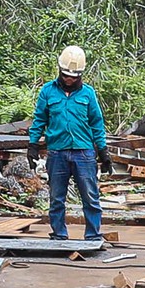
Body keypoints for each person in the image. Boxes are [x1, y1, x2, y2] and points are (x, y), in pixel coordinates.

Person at [28, 45, 110, 243]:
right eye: (66, 76)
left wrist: (104, 151)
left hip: (84, 152)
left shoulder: (88, 94)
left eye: (74, 77)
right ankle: (59, 235)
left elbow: (96, 123)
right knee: (57, 198)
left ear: (81, 75)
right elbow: (39, 119)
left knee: (90, 196)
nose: (69, 80)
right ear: (59, 70)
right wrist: (32, 145)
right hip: (57, 152)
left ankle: (93, 235)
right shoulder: (48, 91)